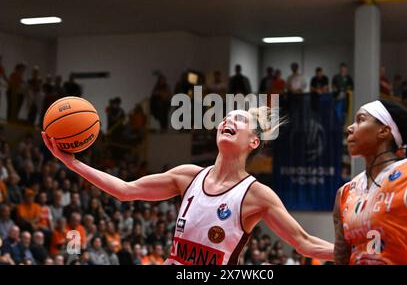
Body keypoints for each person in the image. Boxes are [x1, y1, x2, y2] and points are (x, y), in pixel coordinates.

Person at [42, 106, 334, 265]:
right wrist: (72, 163)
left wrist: (356, 254)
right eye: (225, 118)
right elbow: (125, 190)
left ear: (253, 141)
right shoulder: (187, 176)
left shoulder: (256, 194)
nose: (227, 121)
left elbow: (305, 243)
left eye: (238, 119)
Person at [334, 99, 407, 265]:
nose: (349, 128)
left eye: (360, 120)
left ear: (384, 131)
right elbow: (341, 258)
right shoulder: (344, 193)